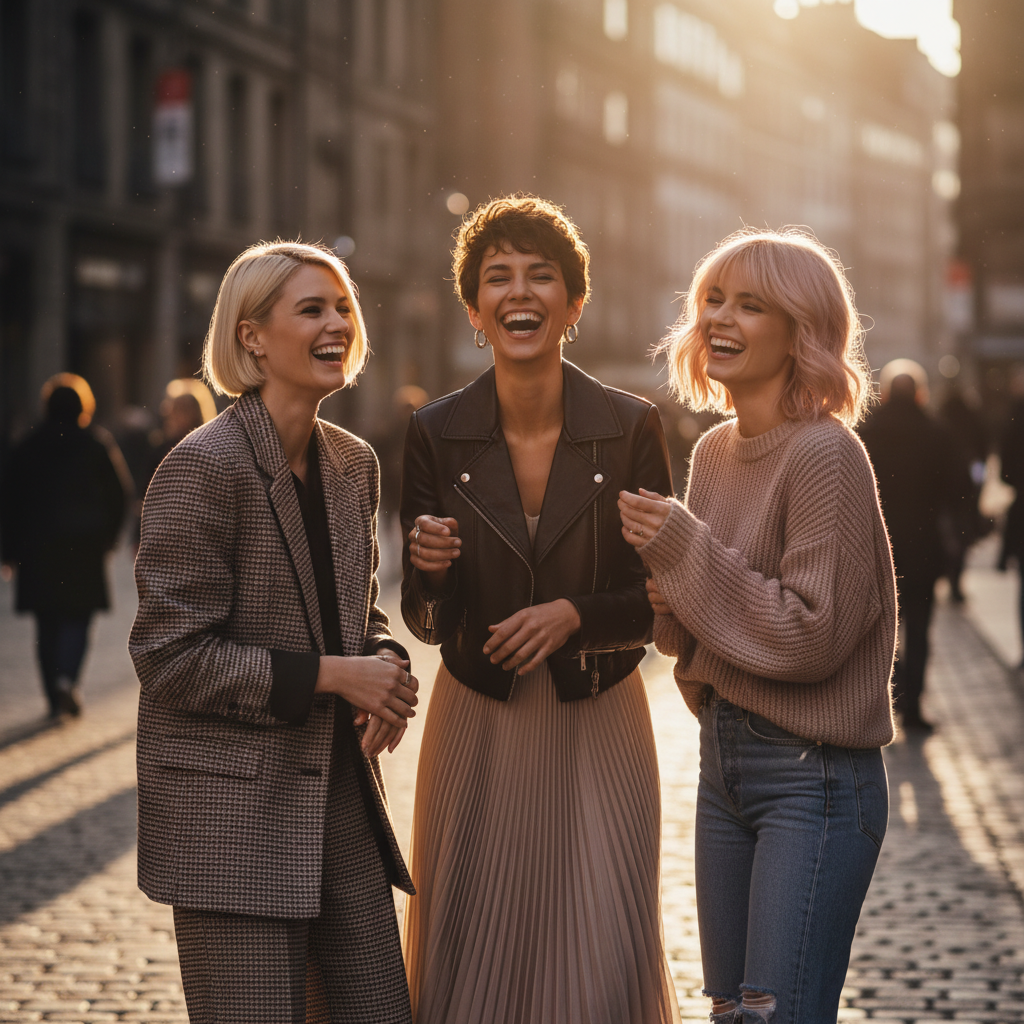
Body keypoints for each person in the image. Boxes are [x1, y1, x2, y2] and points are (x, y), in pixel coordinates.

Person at [400, 195, 678, 1024]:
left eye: (541, 275)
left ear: (574, 304)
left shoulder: (632, 428)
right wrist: (431, 574)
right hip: (477, 720)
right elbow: (421, 619)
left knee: (600, 947)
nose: (519, 292)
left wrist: (575, 618)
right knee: (476, 952)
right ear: (475, 310)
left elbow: (662, 598)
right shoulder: (433, 433)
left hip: (599, 717)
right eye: (498, 277)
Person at [129, 241, 419, 1024]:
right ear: (251, 336)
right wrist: (333, 676)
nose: (338, 324)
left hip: (342, 811)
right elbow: (168, 656)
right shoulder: (203, 466)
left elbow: (357, 619)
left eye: (344, 307)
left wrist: (385, 667)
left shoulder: (354, 463)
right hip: (234, 827)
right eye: (312, 309)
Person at [618, 228, 896, 1024]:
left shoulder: (825, 455)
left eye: (751, 304)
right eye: (712, 300)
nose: (719, 319)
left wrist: (683, 551)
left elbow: (810, 637)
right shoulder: (711, 453)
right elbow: (694, 638)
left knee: (777, 1015)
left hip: (812, 778)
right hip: (724, 764)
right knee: (734, 1013)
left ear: (801, 332)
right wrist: (669, 589)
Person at [1, 373, 129, 718]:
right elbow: (120, 495)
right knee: (78, 618)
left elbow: (10, 501)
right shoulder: (96, 444)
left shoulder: (27, 446)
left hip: (37, 548)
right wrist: (109, 537)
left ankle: (52, 694)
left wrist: (9, 551)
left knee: (46, 623)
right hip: (84, 547)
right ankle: (67, 679)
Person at [860, 360, 964, 731]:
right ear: (920, 393)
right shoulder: (937, 433)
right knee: (919, 629)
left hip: (875, 552)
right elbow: (958, 490)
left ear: (884, 394)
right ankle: (914, 706)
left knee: (879, 633)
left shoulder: (866, 434)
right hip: (923, 547)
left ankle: (895, 691)